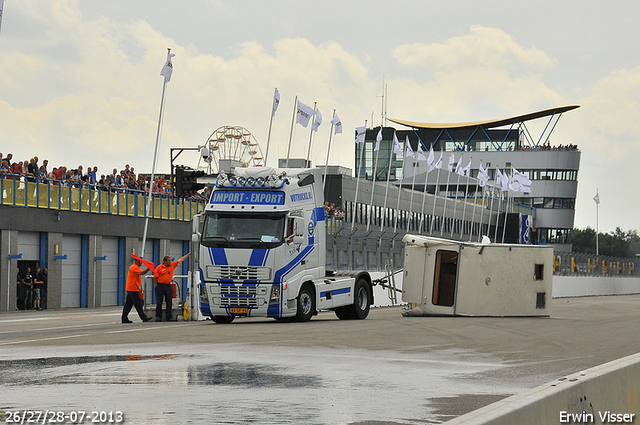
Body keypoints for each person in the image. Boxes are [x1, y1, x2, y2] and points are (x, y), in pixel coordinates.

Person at [154, 253, 190, 321]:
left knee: (169, 301)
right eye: (169, 260)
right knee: (159, 302)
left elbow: (181, 259)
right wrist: (156, 286)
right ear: (165, 261)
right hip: (160, 286)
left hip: (168, 286)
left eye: (170, 260)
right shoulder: (159, 267)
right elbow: (155, 277)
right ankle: (158, 316)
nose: (170, 262)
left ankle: (169, 316)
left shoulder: (172, 265)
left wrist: (188, 254)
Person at [121, 258, 153, 323]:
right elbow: (142, 273)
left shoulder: (135, 267)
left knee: (128, 305)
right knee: (138, 303)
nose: (141, 263)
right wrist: (149, 268)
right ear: (136, 261)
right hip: (133, 289)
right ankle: (143, 317)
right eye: (140, 262)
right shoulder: (134, 267)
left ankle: (124, 318)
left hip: (132, 288)